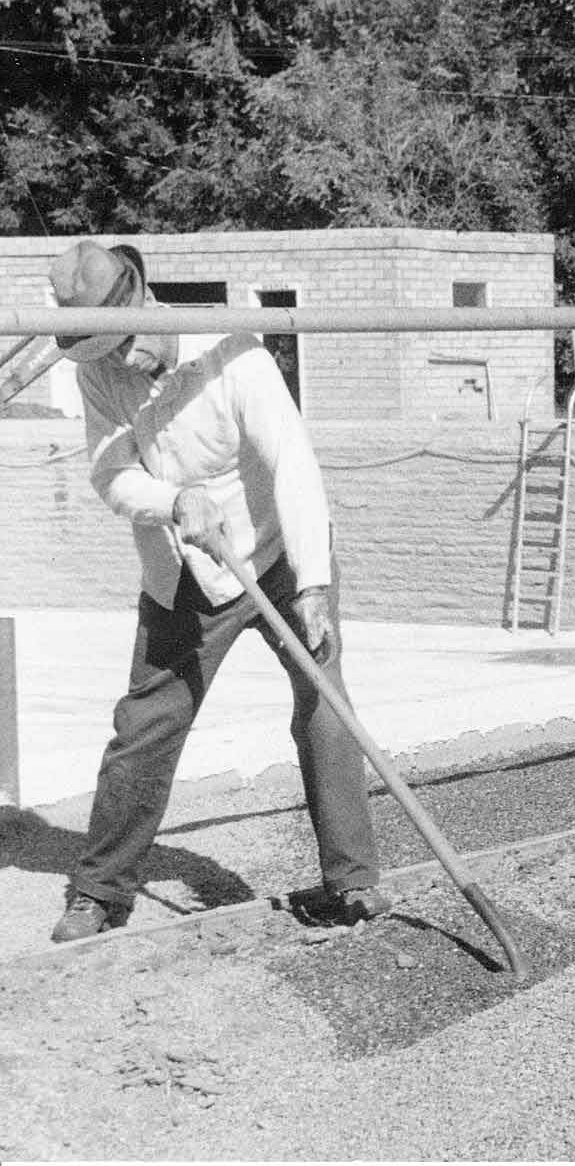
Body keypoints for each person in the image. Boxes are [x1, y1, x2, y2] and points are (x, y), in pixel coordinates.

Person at [46, 239, 387, 942]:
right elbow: (111, 476)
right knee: (145, 726)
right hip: (185, 575)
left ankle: (350, 883)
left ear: (143, 300)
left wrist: (315, 585)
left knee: (324, 705)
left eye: (126, 342)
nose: (120, 360)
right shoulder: (99, 375)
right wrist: (174, 501)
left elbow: (292, 461)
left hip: (278, 557)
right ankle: (100, 891)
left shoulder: (236, 353)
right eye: (100, 350)